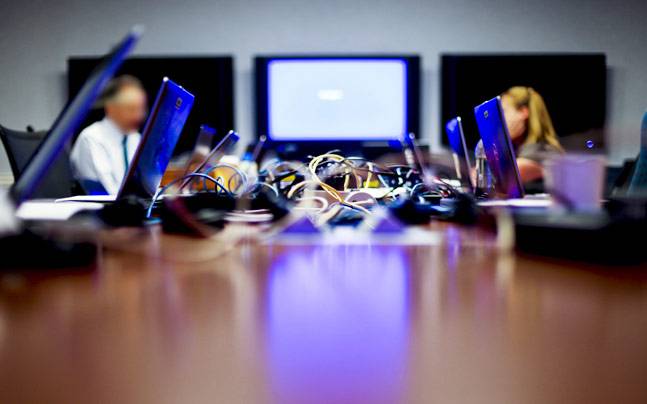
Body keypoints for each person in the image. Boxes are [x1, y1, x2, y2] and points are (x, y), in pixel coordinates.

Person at [70, 75, 147, 195]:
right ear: (110, 108)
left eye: (141, 109)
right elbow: (109, 194)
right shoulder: (91, 139)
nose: (139, 116)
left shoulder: (135, 138)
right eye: (131, 109)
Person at [476, 86, 564, 186]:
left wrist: (496, 139)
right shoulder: (518, 149)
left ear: (523, 112)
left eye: (503, 111)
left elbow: (498, 181)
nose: (497, 120)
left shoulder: (541, 151)